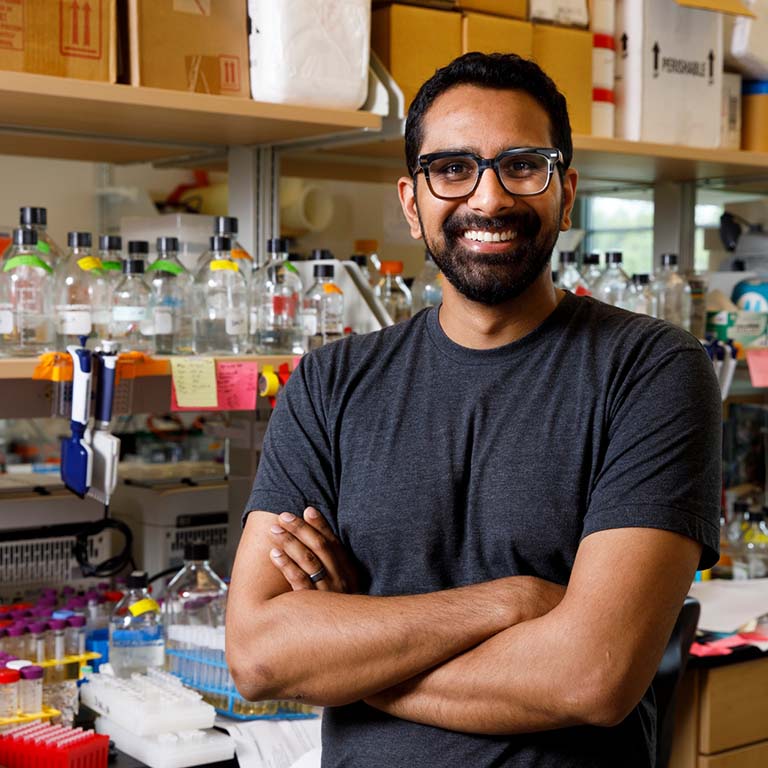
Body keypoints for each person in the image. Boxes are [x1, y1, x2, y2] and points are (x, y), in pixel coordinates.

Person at [226, 52, 721, 767]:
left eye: (522, 164)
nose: (488, 199)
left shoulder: (651, 369)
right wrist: (513, 602)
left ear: (567, 190)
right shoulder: (330, 383)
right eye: (453, 169)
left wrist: (350, 659)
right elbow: (259, 656)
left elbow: (593, 676)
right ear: (410, 200)